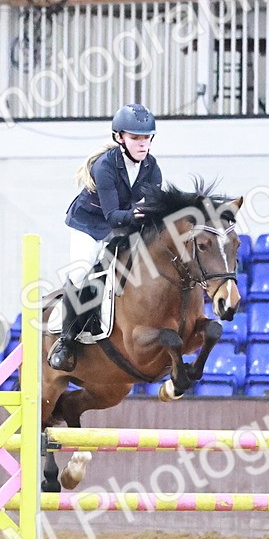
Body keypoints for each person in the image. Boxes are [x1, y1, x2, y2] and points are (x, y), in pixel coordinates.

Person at [48, 103, 162, 372]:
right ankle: (65, 342)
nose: (142, 144)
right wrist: (140, 212)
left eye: (146, 138)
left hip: (122, 224)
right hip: (89, 225)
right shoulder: (105, 166)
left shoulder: (152, 168)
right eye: (135, 138)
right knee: (82, 271)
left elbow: (150, 209)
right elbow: (113, 216)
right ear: (119, 138)